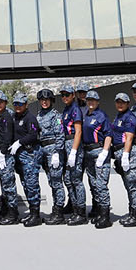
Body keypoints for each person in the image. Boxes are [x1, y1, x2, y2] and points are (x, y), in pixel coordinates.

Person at [80, 89, 114, 229]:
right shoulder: (85, 115)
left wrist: (105, 152)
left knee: (101, 185)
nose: (91, 102)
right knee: (93, 184)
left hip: (99, 151)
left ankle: (105, 216)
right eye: (88, 100)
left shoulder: (101, 116)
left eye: (93, 100)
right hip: (88, 152)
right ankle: (100, 211)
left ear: (98, 102)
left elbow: (108, 134)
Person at [34, 89, 66, 224]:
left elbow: (60, 135)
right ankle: (55, 210)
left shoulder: (56, 116)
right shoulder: (39, 115)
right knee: (51, 181)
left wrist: (57, 153)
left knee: (57, 181)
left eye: (47, 100)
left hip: (53, 150)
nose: (44, 102)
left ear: (51, 100)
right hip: (43, 150)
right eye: (42, 100)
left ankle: (59, 212)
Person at [111, 92, 136, 227]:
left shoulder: (130, 117)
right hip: (119, 152)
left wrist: (125, 154)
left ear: (128, 104)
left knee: (132, 185)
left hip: (129, 153)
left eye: (122, 102)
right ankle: (132, 211)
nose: (120, 104)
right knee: (128, 185)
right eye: (118, 102)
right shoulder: (118, 116)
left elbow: (129, 137)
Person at [11, 93, 42, 227]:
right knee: (25, 183)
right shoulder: (14, 117)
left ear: (26, 105)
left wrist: (20, 142)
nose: (18, 107)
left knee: (31, 184)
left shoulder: (30, 118)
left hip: (30, 154)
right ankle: (32, 212)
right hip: (19, 155)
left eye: (20, 104)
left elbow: (33, 135)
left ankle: (36, 215)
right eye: (16, 104)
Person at [59, 85, 88, 225]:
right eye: (63, 95)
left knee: (76, 180)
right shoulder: (67, 109)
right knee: (69, 180)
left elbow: (78, 131)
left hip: (73, 144)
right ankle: (75, 208)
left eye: (67, 94)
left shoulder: (75, 109)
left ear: (73, 95)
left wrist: (74, 151)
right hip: (66, 143)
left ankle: (81, 212)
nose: (65, 97)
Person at [0, 91, 20, 224]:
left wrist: (2, 153)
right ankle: (7, 209)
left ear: (5, 103)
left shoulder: (7, 116)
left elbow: (7, 136)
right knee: (4, 183)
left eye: (1, 102)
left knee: (8, 184)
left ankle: (13, 213)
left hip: (5, 154)